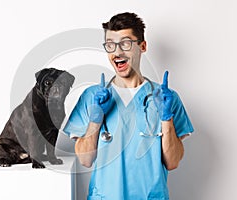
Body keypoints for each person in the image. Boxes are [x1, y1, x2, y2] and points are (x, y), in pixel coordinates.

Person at [63, 12, 194, 200]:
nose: (117, 52)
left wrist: (166, 118)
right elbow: (85, 160)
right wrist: (95, 121)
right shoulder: (93, 97)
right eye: (110, 45)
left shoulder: (166, 98)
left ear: (142, 46)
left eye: (125, 43)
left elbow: (172, 162)